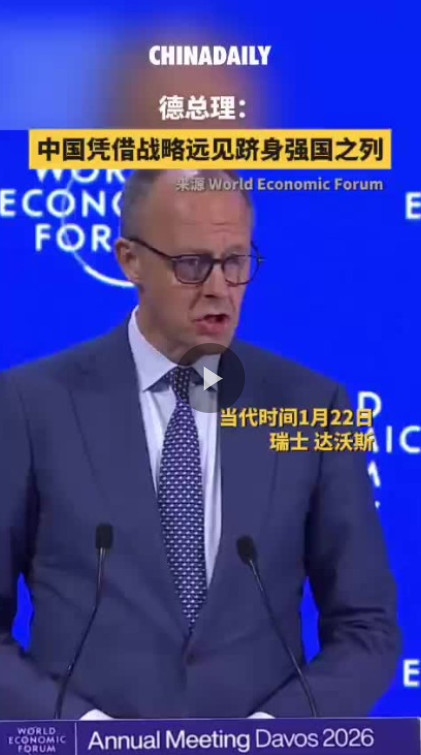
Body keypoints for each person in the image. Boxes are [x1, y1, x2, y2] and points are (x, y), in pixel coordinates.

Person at [0, 169, 400, 721]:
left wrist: (271, 736)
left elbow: (367, 628)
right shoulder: (29, 404)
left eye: (235, 262)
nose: (219, 288)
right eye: (191, 264)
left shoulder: (314, 405)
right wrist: (83, 736)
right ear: (130, 261)